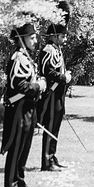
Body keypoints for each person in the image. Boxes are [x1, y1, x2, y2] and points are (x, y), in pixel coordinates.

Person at [0, 23, 47, 187]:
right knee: (16, 148)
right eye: (31, 37)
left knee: (25, 147)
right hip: (18, 110)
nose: (35, 40)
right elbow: (18, 85)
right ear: (21, 39)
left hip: (28, 108)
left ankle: (20, 181)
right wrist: (38, 86)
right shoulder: (17, 58)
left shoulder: (26, 57)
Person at [37, 22, 71, 171]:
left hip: (58, 94)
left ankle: (52, 155)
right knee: (50, 127)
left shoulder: (56, 49)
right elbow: (48, 72)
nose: (65, 39)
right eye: (62, 36)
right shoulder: (48, 50)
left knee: (55, 126)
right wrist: (64, 77)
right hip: (51, 94)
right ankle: (46, 161)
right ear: (54, 36)